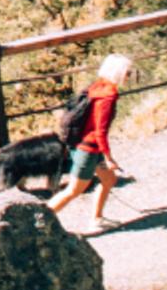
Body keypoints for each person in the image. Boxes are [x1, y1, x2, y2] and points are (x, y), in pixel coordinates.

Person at [49, 53, 131, 227]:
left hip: (85, 145)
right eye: (127, 72)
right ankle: (38, 220)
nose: (129, 76)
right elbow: (100, 132)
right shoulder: (107, 97)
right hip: (89, 149)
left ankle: (97, 218)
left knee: (109, 180)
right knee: (74, 190)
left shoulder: (97, 87)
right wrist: (109, 158)